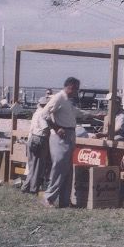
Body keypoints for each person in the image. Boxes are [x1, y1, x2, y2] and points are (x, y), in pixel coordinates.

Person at [41, 77, 81, 208]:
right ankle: (48, 197)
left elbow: (76, 112)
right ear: (71, 87)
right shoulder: (58, 97)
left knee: (67, 170)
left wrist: (94, 115)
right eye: (77, 89)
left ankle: (64, 201)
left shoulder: (67, 101)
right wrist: (56, 128)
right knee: (58, 167)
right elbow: (45, 113)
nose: (77, 92)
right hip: (60, 137)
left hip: (70, 134)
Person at [21, 96, 50, 194]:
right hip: (40, 138)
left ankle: (26, 187)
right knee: (38, 165)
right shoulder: (43, 113)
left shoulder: (36, 113)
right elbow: (45, 128)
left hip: (32, 138)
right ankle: (33, 188)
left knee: (32, 165)